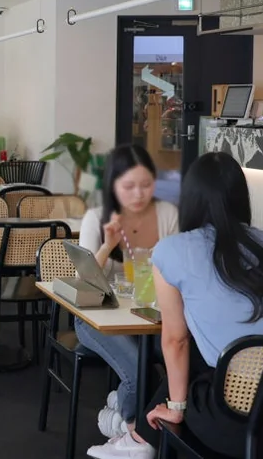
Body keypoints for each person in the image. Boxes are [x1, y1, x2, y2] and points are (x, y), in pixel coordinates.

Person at [89, 152, 263, 459]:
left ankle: (142, 438)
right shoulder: (259, 241)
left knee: (186, 350)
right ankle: (139, 436)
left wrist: (176, 407)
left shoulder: (173, 248)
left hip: (236, 420)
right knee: (197, 351)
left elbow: (175, 339)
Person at [77, 145, 178, 445]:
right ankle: (133, 433)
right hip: (97, 318)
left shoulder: (166, 215)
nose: (139, 194)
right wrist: (108, 246)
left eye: (146, 185)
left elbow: (177, 271)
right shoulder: (95, 219)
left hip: (151, 317)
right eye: (129, 186)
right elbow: (84, 282)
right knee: (139, 371)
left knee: (184, 360)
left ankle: (121, 410)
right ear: (112, 186)